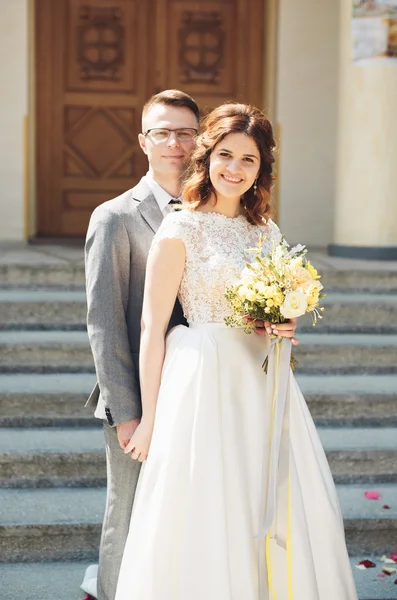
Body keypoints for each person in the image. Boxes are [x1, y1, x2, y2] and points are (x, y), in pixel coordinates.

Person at [115, 103, 358, 600]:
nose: (235, 168)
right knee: (207, 499)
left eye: (249, 160)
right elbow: (151, 325)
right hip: (202, 377)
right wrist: (148, 419)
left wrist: (285, 319)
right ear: (206, 159)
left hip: (262, 379)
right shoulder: (180, 229)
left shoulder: (267, 233)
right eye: (225, 155)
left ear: (261, 169)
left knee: (266, 491)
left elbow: (275, 312)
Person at [84, 89, 201, 600]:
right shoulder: (115, 217)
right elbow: (104, 324)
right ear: (143, 141)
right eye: (162, 132)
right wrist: (127, 411)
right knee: (127, 511)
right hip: (139, 395)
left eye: (186, 132)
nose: (174, 142)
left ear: (201, 140)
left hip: (199, 389)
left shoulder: (215, 212)